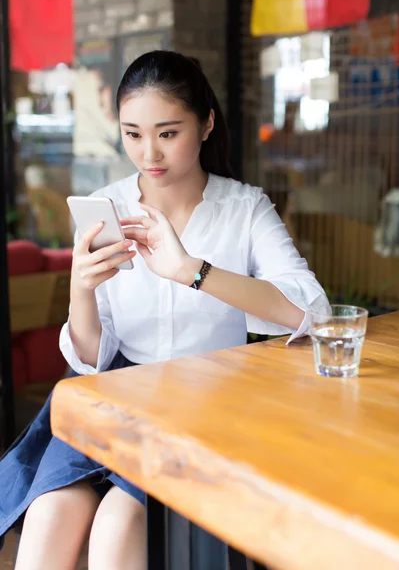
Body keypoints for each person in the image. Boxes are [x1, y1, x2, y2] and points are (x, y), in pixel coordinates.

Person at [0, 50, 329, 570]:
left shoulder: (245, 207)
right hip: (113, 394)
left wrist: (192, 271)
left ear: (206, 124)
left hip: (205, 399)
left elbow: (310, 310)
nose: (148, 153)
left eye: (167, 133)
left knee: (117, 525)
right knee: (48, 516)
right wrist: (80, 290)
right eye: (132, 134)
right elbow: (89, 357)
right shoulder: (105, 205)